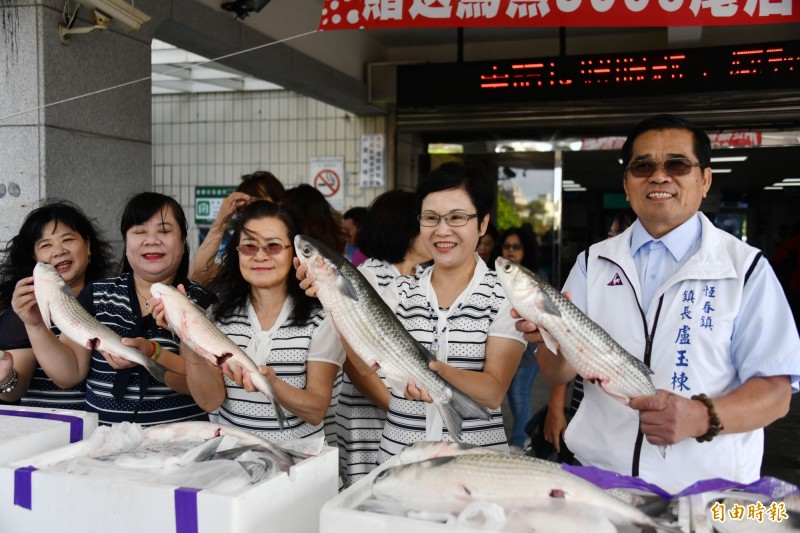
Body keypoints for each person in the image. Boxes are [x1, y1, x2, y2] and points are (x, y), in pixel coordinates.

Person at [515, 114, 800, 493]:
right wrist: (552, 339)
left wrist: (701, 417)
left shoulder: (744, 269)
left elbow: (776, 392)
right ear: (627, 185)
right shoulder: (592, 262)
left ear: (705, 180)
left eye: (677, 164)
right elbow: (557, 374)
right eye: (643, 166)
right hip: (600, 480)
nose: (659, 176)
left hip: (705, 490)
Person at [352, 162, 526, 462]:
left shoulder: (504, 295)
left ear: (482, 224)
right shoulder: (400, 290)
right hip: (400, 459)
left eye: (456, 217)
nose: (442, 230)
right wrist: (334, 303)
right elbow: (366, 364)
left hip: (475, 464)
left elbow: (493, 391)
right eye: (431, 218)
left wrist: (431, 372)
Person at [14, 192, 213, 425]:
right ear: (126, 243)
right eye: (139, 232)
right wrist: (35, 324)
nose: (151, 240)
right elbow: (69, 374)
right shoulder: (98, 294)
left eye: (164, 231)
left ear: (183, 239)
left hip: (178, 443)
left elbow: (210, 393)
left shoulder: (202, 302)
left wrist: (152, 355)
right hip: (106, 445)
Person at [180, 201, 344, 440]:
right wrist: (188, 336)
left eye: (273, 246)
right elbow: (210, 400)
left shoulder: (321, 318)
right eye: (249, 247)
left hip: (298, 466)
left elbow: (316, 409)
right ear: (236, 252)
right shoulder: (217, 315)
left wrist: (271, 384)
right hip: (234, 463)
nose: (260, 256)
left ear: (294, 254)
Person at [336, 190, 432, 486]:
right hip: (370, 415)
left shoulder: (425, 275)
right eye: (428, 221)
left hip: (410, 414)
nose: (438, 231)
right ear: (406, 229)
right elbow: (353, 363)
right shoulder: (370, 278)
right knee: (371, 494)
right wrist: (395, 406)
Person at [0, 202, 114, 408]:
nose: (59, 251)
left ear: (88, 246)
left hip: (106, 431)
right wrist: (5, 379)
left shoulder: (112, 298)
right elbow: (16, 388)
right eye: (46, 245)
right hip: (46, 430)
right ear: (35, 258)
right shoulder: (27, 308)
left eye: (68, 240)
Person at [283, 183, 347, 447]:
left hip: (308, 428)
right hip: (328, 418)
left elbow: (315, 406)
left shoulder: (312, 290)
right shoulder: (336, 263)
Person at [189, 171, 285, 286]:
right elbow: (195, 277)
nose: (252, 213)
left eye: (258, 204)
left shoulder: (290, 241)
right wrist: (220, 223)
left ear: (279, 206)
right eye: (245, 206)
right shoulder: (235, 249)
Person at [497, 226, 541, 453]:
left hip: (529, 344)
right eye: (507, 246)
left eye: (516, 247)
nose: (511, 251)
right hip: (504, 343)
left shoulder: (534, 278)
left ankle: (519, 442)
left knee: (518, 392)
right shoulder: (497, 275)